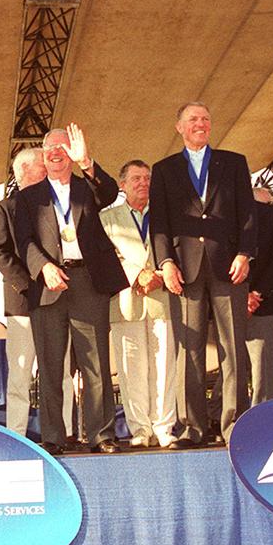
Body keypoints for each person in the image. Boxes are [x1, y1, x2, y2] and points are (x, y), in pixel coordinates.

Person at [150, 101, 256, 449]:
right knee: (188, 350)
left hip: (229, 267)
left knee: (233, 348)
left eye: (206, 119)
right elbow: (160, 222)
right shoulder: (164, 170)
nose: (201, 124)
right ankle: (192, 428)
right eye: (193, 119)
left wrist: (245, 253)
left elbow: (247, 214)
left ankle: (233, 426)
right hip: (184, 269)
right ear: (179, 127)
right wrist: (165, 263)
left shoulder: (234, 163)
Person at [17, 124, 126, 453]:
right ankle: (52, 436)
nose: (55, 153)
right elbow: (24, 241)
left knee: (95, 363)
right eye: (50, 148)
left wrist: (87, 162)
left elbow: (109, 192)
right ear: (43, 155)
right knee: (51, 365)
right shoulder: (27, 197)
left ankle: (102, 434)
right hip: (49, 283)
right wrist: (44, 267)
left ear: (71, 153)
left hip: (87, 282)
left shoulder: (86, 188)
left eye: (63, 148)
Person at [0, 148, 74, 438]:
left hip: (57, 300)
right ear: (26, 171)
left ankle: (66, 431)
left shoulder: (60, 203)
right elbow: (0, 253)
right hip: (23, 302)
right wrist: (31, 283)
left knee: (61, 371)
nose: (50, 168)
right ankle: (17, 434)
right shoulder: (6, 207)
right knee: (21, 372)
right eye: (43, 165)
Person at [100, 159, 178, 447]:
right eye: (136, 178)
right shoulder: (107, 217)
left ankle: (164, 426)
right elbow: (107, 255)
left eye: (147, 178)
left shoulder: (165, 215)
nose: (143, 183)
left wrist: (158, 274)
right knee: (131, 369)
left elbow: (178, 248)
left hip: (163, 298)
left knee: (164, 365)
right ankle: (140, 430)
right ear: (122, 185)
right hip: (126, 300)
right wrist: (137, 275)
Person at [245, 186, 273, 406]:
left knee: (259, 367)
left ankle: (258, 413)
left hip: (254, 302)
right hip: (249, 301)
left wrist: (250, 296)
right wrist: (252, 295)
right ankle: (262, 415)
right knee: (261, 367)